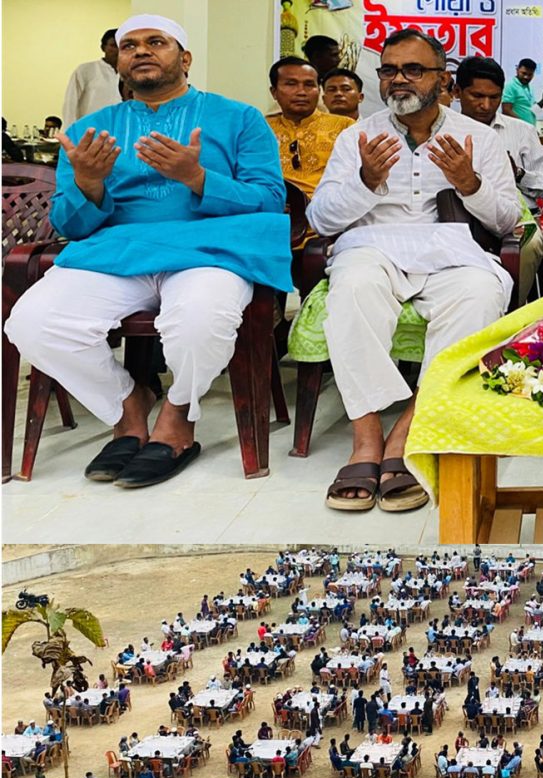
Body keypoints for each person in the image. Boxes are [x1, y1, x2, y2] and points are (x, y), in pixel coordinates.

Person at [7, 14, 290, 489]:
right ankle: (128, 406)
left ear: (185, 58)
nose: (141, 50)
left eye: (156, 42)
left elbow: (268, 198)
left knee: (199, 321)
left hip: (210, 251)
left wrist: (197, 178)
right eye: (130, 45)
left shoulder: (240, 118)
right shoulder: (91, 130)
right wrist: (89, 184)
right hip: (116, 253)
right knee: (32, 323)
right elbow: (68, 224)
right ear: (118, 63)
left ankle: (178, 414)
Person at [306, 28, 520, 512]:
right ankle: (366, 438)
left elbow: (508, 220)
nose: (398, 79)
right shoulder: (356, 137)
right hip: (372, 247)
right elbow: (321, 220)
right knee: (352, 287)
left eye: (413, 69)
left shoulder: (479, 138)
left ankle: (408, 429)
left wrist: (469, 183)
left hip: (450, 249)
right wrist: (365, 181)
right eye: (389, 70)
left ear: (442, 79)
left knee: (481, 291)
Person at [454, 56, 543, 304]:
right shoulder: (446, 131)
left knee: (529, 246)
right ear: (457, 92)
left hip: (519, 220)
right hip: (458, 220)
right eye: (477, 96)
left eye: (494, 97)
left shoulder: (521, 131)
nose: (486, 105)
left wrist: (518, 174)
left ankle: (513, 311)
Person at [266, 57, 354, 198]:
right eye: (291, 84)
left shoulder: (345, 127)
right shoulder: (262, 128)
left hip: (328, 205)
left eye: (309, 85)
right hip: (274, 204)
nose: (301, 92)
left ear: (319, 90)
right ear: (274, 92)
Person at [63, 28, 121, 126]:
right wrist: (70, 131)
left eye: (122, 46)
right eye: (113, 45)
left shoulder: (131, 74)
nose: (118, 50)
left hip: (120, 131)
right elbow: (70, 103)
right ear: (103, 47)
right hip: (89, 130)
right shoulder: (86, 70)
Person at [501, 59, 543, 126]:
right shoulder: (511, 86)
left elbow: (533, 110)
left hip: (529, 128)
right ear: (517, 70)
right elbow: (506, 110)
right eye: (524, 73)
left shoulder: (529, 87)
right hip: (516, 128)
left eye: (530, 74)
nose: (526, 77)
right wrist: (524, 126)